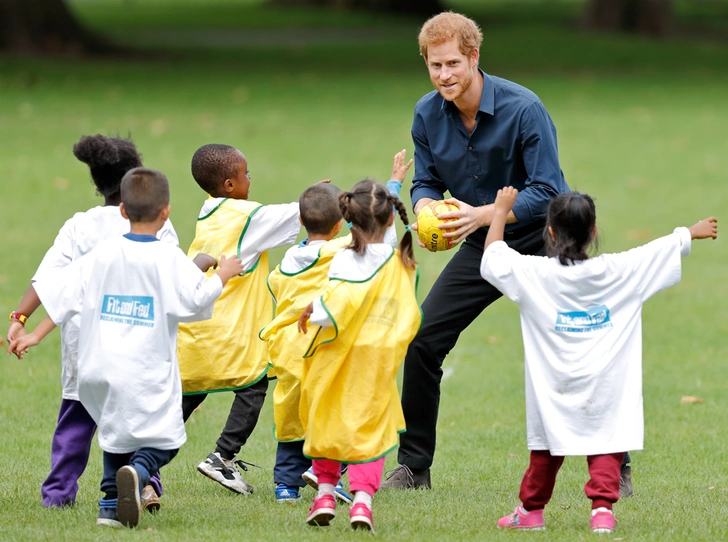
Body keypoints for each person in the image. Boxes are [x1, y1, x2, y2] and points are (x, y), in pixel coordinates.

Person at [383, 11, 570, 489]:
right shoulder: (427, 113)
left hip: (546, 239)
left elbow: (548, 190)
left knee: (576, 345)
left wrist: (482, 215)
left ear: (474, 57)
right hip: (479, 244)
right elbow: (425, 179)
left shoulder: (524, 108)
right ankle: (414, 466)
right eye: (434, 66)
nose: (444, 76)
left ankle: (615, 464)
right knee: (422, 341)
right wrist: (426, 208)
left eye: (452, 64)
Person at [8, 167, 246, 528]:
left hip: (98, 369)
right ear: (166, 212)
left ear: (122, 211)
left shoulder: (102, 254)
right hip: (146, 368)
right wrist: (223, 274)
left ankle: (110, 508)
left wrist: (34, 334)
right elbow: (194, 301)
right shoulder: (167, 257)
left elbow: (65, 295)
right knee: (168, 436)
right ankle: (139, 470)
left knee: (115, 434)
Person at [480, 187, 717, 533]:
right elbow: (656, 250)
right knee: (607, 436)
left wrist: (500, 210)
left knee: (546, 447)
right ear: (593, 232)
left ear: (549, 232)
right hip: (606, 386)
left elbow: (493, 258)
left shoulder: (534, 274)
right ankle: (602, 511)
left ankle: (531, 511)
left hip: (554, 388)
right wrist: (688, 233)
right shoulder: (620, 271)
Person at [5, 134, 177, 510]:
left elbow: (48, 279)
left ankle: (57, 494)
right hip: (139, 341)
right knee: (141, 417)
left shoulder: (79, 226)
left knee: (75, 425)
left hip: (86, 348)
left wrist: (20, 318)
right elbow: (175, 274)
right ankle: (146, 483)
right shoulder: (156, 223)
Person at [260, 151, 413, 504]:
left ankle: (285, 486)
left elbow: (276, 285)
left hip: (287, 351)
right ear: (340, 225)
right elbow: (382, 238)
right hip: (325, 347)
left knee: (290, 422)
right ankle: (328, 474)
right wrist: (393, 184)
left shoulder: (285, 265)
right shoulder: (344, 251)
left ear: (301, 221)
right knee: (336, 415)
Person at [297, 180, 422, 532]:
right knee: (370, 428)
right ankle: (362, 503)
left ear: (349, 220)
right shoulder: (400, 259)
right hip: (377, 361)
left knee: (328, 421)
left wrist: (311, 310)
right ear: (387, 220)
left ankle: (324, 494)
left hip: (337, 358)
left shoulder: (344, 259)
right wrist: (393, 184)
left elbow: (337, 303)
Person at [177, 143, 302, 495]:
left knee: (186, 398)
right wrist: (322, 197)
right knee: (253, 387)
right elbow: (307, 214)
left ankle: (144, 462)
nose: (251, 178)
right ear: (230, 185)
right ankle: (222, 456)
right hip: (229, 334)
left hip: (193, 334)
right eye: (245, 173)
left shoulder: (208, 214)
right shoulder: (249, 217)